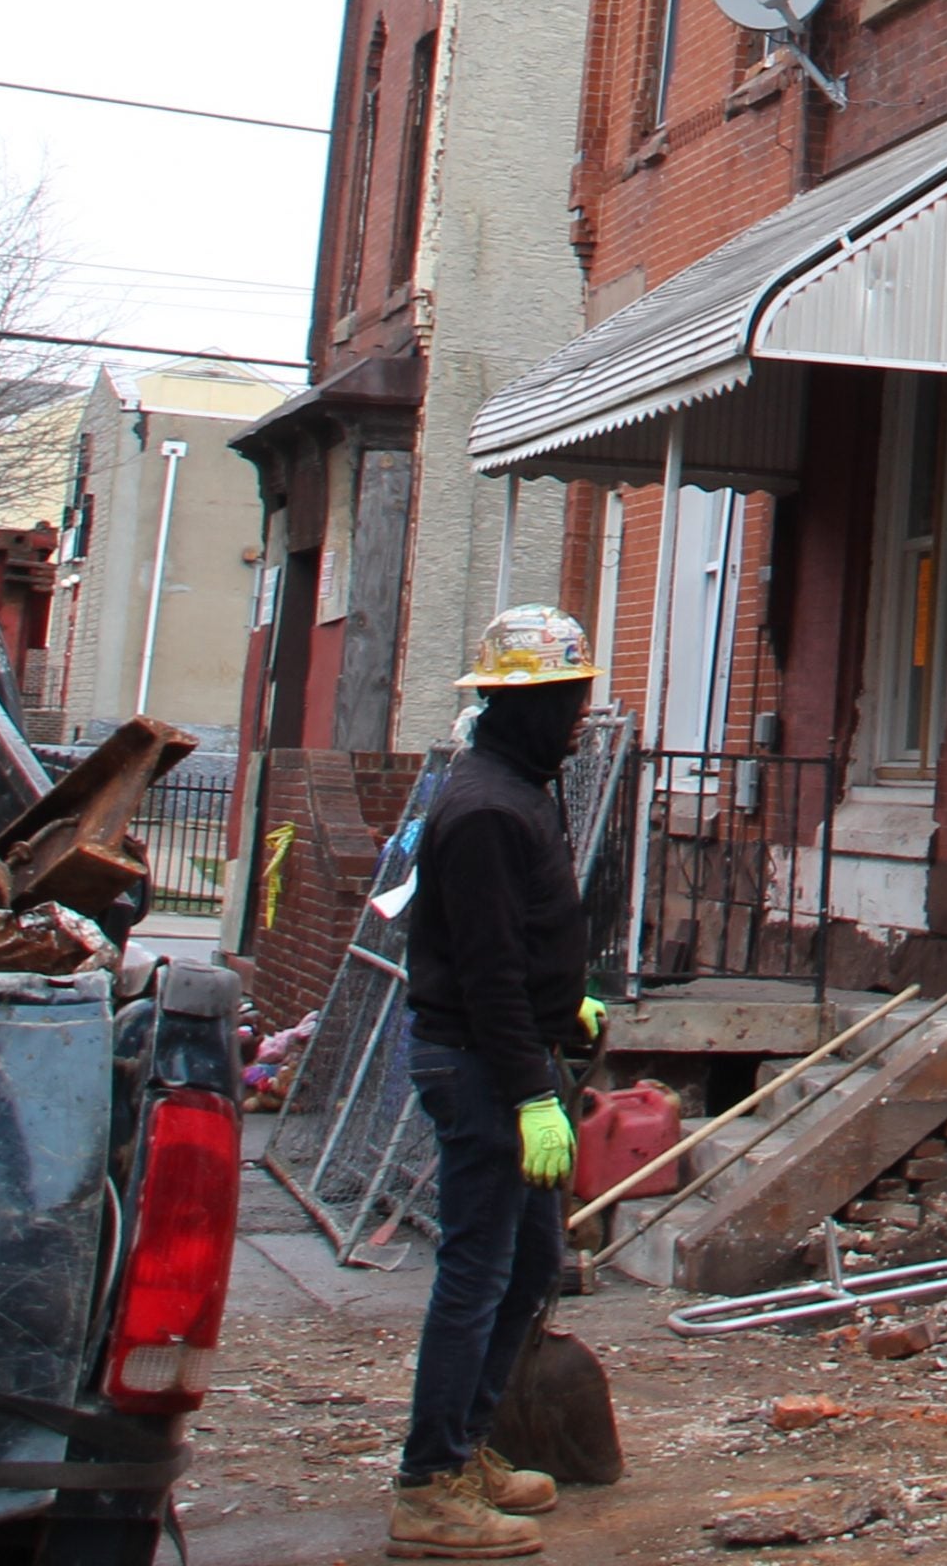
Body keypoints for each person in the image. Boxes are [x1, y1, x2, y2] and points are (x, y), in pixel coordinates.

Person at [389, 606, 603, 1560]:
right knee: (476, 1275)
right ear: (523, 707)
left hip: (512, 1053)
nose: (579, 723)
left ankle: (466, 1445)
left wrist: (571, 1007)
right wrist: (530, 1091)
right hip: (480, 1067)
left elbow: (525, 937)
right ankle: (428, 1486)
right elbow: (486, 972)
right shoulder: (481, 810)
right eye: (567, 704)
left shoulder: (521, 789)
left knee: (524, 1270)